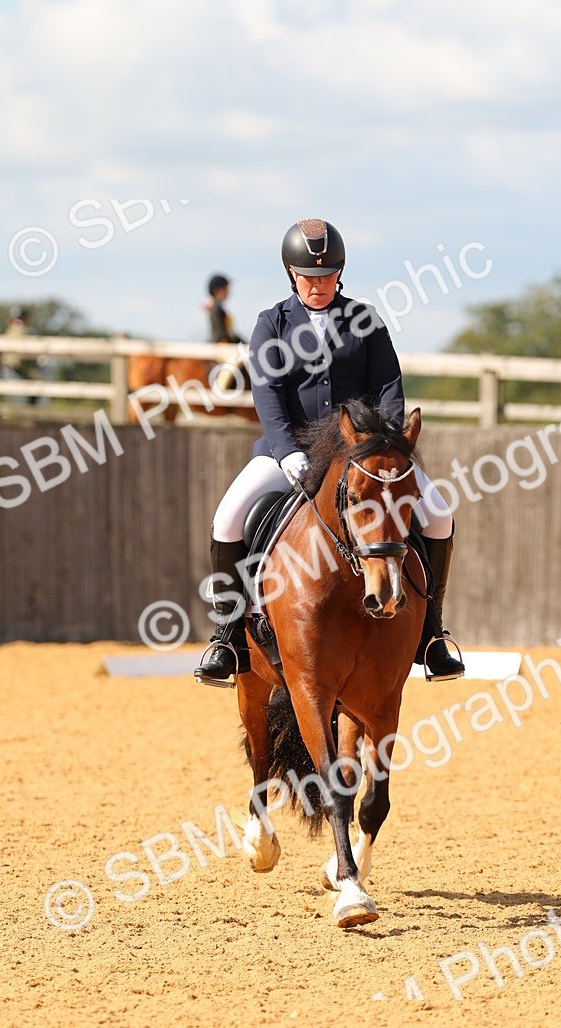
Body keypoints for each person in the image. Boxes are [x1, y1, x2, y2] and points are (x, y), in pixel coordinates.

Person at [194, 218, 463, 685]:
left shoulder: (366, 320)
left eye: (326, 276)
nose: (318, 285)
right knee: (227, 518)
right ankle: (227, 638)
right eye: (308, 277)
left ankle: (431, 634)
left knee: (438, 515)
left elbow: (389, 388)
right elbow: (267, 393)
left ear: (339, 274)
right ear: (291, 275)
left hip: (361, 455)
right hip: (290, 451)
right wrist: (284, 450)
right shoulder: (270, 323)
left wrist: (385, 447)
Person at [206, 274, 244, 344]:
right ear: (217, 290)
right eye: (225, 288)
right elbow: (220, 336)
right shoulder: (216, 309)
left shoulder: (219, 308)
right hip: (221, 348)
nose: (228, 291)